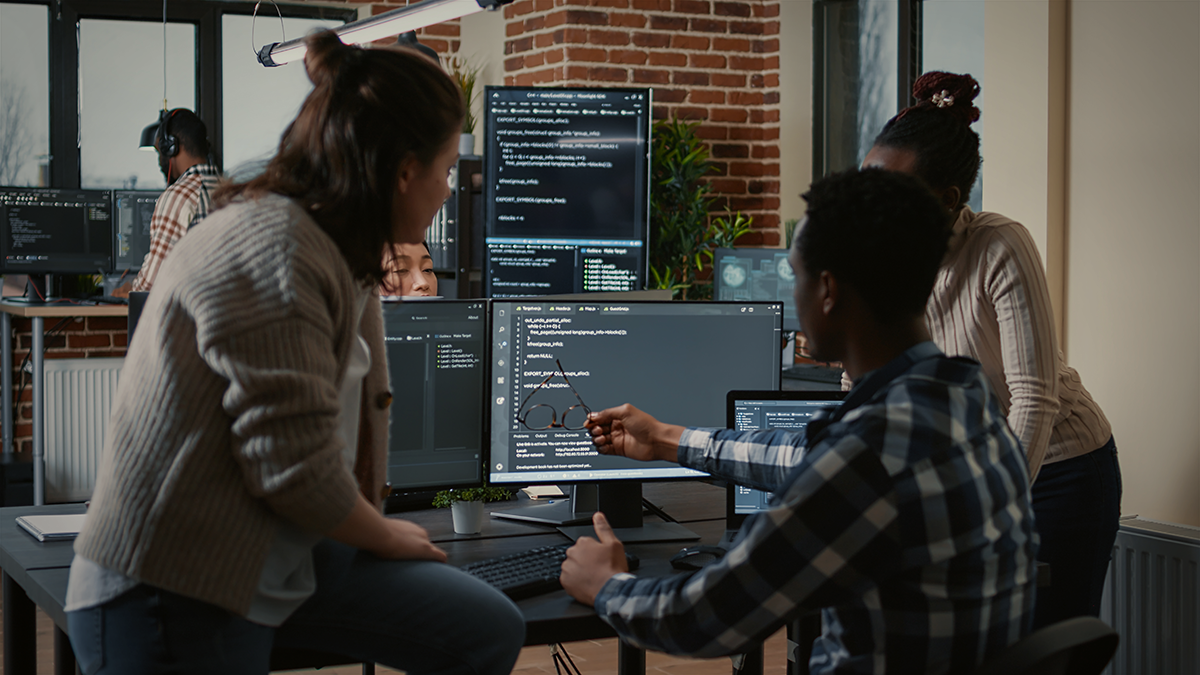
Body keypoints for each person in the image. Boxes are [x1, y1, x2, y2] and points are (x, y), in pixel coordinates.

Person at [66, 31, 524, 675]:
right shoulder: (277, 245)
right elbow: (291, 469)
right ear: (401, 171)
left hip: (281, 552)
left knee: (486, 629)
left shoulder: (340, 248)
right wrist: (388, 534)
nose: (449, 190)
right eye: (447, 170)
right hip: (168, 583)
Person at [562, 169, 1038, 675]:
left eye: (796, 276)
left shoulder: (867, 455)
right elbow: (805, 458)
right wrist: (665, 439)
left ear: (827, 289)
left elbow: (705, 618)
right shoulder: (967, 398)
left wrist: (606, 586)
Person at [861, 71, 1121, 628]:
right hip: (957, 474)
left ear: (947, 199)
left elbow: (1034, 399)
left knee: (1042, 645)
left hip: (1056, 470)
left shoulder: (999, 245)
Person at [119, 108, 222, 294]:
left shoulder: (178, 197)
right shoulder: (232, 191)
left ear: (172, 147)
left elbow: (151, 283)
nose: (160, 161)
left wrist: (128, 291)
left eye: (160, 151)